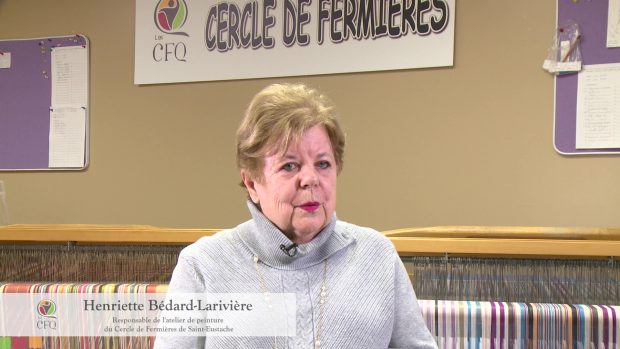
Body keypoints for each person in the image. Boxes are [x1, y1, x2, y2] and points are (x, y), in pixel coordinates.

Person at [154, 83, 437, 348]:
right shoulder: (202, 266)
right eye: (290, 166)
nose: (310, 179)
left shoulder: (378, 257)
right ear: (252, 182)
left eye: (323, 164)